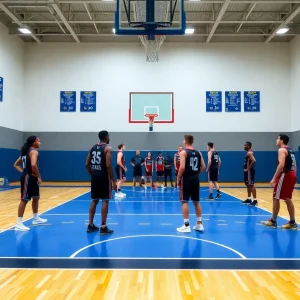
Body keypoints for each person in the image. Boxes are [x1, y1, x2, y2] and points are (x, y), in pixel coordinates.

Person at [262, 134, 297, 230]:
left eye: (278, 139)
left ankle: (273, 220)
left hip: (285, 175)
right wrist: (294, 177)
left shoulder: (281, 150)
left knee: (275, 197)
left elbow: (281, 165)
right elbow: (294, 166)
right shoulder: (291, 151)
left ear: (282, 140)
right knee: (287, 198)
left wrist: (274, 178)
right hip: (292, 174)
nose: (276, 140)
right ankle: (293, 222)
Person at [85, 130, 117, 235]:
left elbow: (86, 164)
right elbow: (108, 165)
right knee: (105, 200)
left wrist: (93, 174)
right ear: (107, 137)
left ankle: (90, 225)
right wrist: (114, 180)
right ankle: (103, 227)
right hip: (104, 176)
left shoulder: (92, 148)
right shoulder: (108, 148)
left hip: (94, 175)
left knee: (94, 200)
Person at [13, 136, 47, 231]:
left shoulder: (25, 152)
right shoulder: (34, 152)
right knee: (24, 199)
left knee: (36, 197)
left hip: (31, 177)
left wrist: (23, 171)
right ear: (33, 142)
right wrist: (39, 176)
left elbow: (15, 164)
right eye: (38, 141)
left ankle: (35, 218)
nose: (40, 143)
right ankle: (19, 223)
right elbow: (33, 165)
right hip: (28, 177)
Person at [176, 135, 206, 233]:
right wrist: (196, 174)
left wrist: (178, 177)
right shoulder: (198, 152)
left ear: (185, 141)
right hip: (195, 179)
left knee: (184, 201)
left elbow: (182, 168)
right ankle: (199, 224)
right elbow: (203, 167)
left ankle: (186, 225)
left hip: (186, 179)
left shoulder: (183, 152)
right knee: (196, 201)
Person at [242, 141, 258, 206]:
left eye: (245, 145)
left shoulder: (249, 153)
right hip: (247, 172)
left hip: (249, 172)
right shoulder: (248, 153)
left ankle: (255, 200)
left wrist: (248, 168)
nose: (244, 146)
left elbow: (254, 161)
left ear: (248, 146)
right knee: (248, 185)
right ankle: (249, 198)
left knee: (251, 185)